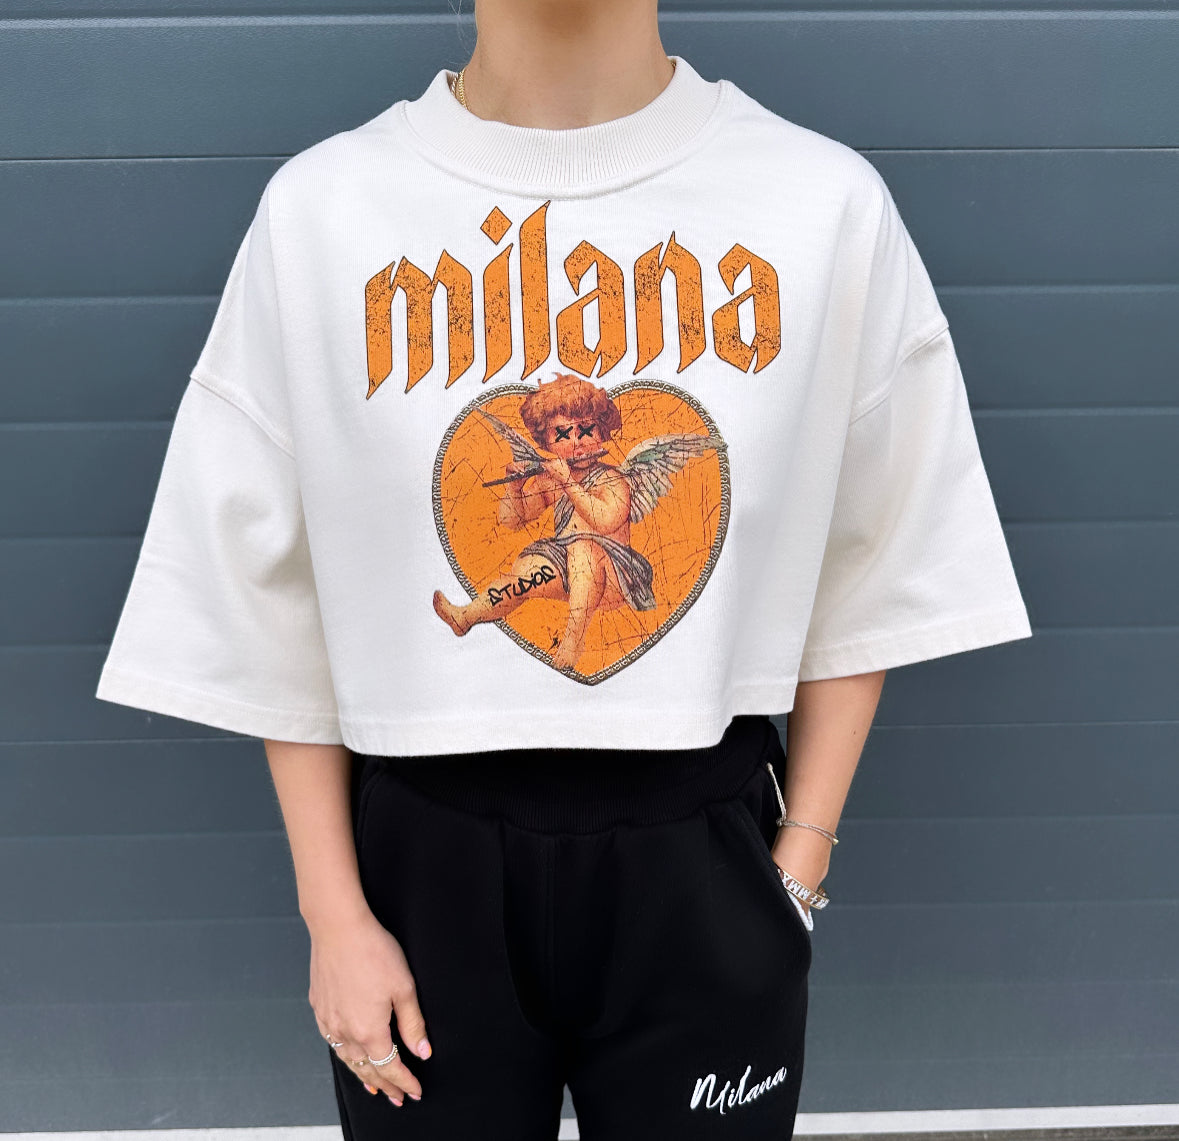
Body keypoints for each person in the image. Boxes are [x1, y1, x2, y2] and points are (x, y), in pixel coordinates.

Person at [95, 0, 1034, 1137]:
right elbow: (268, 592)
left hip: (708, 844)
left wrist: (797, 868)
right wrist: (332, 914)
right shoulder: (322, 212)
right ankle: (480, 611)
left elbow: (875, 560)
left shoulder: (821, 203)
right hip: (422, 860)